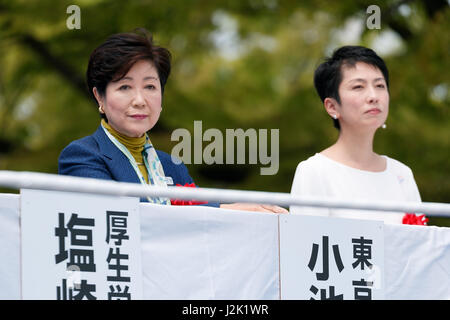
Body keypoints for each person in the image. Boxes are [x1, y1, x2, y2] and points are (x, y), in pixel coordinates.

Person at [59, 29, 287, 214]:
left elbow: (202, 226)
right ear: (100, 96)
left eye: (150, 87)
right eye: (124, 87)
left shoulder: (171, 165)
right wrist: (228, 209)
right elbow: (118, 219)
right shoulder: (82, 156)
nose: (140, 100)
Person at [290, 45, 427, 225]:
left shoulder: (401, 174)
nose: (373, 96)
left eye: (379, 85)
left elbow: (419, 246)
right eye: (358, 87)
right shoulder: (314, 171)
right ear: (332, 106)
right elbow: (306, 247)